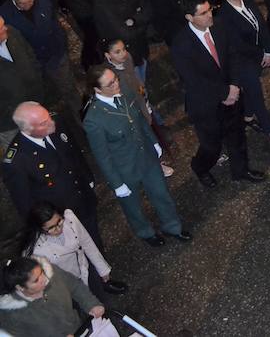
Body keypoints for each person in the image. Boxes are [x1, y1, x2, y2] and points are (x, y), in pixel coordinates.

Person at [83, 65, 191, 246]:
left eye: (115, 79)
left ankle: (172, 226)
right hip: (124, 169)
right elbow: (102, 156)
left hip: (146, 157)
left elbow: (139, 120)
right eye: (110, 84)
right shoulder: (94, 120)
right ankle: (145, 232)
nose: (116, 84)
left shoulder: (124, 93)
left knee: (161, 193)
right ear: (97, 89)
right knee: (133, 207)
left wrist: (154, 142)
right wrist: (116, 184)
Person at [170, 0, 265, 188]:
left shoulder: (219, 26)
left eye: (210, 9)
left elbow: (233, 56)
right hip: (206, 105)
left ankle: (241, 171)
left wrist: (235, 85)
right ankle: (200, 167)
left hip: (232, 93)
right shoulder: (181, 44)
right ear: (190, 17)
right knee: (211, 146)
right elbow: (194, 80)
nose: (209, 15)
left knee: (237, 135)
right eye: (203, 13)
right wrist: (225, 93)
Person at [2, 102, 100, 245]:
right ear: (29, 129)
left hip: (82, 198)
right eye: (44, 123)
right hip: (60, 220)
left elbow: (74, 152)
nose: (51, 122)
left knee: (94, 239)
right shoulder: (17, 161)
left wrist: (88, 178)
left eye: (48, 117)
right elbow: (25, 204)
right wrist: (45, 226)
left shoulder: (57, 122)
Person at [216, 0, 270, 153]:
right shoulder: (224, 16)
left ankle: (246, 116)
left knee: (253, 91)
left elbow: (261, 24)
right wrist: (262, 53)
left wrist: (268, 49)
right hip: (241, 62)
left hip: (258, 55)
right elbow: (237, 45)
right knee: (256, 95)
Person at [0, 0, 82, 124]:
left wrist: (61, 49)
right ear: (14, 0)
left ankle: (81, 117)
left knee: (69, 89)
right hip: (34, 63)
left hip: (55, 56)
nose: (31, 4)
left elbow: (55, 24)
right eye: (25, 3)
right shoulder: (5, 15)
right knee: (47, 98)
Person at [100, 37, 173, 176]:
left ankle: (157, 160)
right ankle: (155, 166)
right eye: (117, 52)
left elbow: (134, 77)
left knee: (152, 133)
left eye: (123, 49)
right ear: (108, 55)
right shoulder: (109, 75)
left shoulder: (127, 59)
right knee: (142, 138)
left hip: (140, 101)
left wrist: (142, 93)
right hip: (130, 110)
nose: (123, 54)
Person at [0, 256, 116, 337]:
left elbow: (74, 285)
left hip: (81, 328)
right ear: (20, 287)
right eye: (36, 280)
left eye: (42, 272)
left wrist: (91, 304)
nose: (44, 279)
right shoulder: (11, 314)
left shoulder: (52, 273)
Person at [22, 202, 124, 294]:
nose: (59, 229)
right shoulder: (35, 251)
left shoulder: (69, 219)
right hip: (66, 286)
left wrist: (102, 269)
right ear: (39, 229)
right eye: (51, 228)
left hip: (84, 269)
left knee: (101, 300)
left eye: (59, 222)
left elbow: (87, 242)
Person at [93, 0, 151, 81]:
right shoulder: (103, 5)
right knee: (134, 81)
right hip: (125, 53)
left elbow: (148, 9)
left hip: (139, 46)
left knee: (142, 73)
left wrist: (134, 21)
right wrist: (141, 23)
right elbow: (123, 33)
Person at [0, 18, 43, 150]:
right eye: (1, 29)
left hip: (35, 105)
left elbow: (31, 58)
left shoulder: (13, 34)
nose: (5, 28)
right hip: (11, 124)